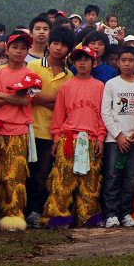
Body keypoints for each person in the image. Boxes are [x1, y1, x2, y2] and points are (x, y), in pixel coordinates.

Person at [41, 45, 107, 227]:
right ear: (74, 62)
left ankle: (88, 215)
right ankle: (58, 215)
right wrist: (56, 138)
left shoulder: (100, 87)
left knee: (90, 181)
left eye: (86, 59)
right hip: (69, 138)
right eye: (78, 59)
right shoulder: (66, 86)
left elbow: (103, 115)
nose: (82, 63)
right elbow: (59, 115)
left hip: (91, 138)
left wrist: (101, 138)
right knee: (63, 180)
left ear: (93, 63)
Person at [0, 32, 38, 231]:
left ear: (27, 51)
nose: (19, 51)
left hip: (18, 132)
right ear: (7, 50)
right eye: (15, 47)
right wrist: (9, 98)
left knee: (14, 176)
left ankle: (12, 216)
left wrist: (2, 94)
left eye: (23, 48)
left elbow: (25, 101)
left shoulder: (29, 75)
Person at [26, 24, 75, 225]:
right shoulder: (34, 66)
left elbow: (65, 106)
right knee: (26, 173)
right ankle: (22, 210)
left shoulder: (69, 75)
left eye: (63, 45)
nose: (58, 48)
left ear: (69, 49)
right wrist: (54, 100)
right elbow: (29, 95)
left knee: (42, 175)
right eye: (55, 43)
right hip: (30, 129)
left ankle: (35, 212)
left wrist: (44, 99)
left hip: (51, 133)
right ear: (49, 43)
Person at [101, 46, 134, 228]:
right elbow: (106, 112)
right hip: (115, 140)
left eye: (131, 60)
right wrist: (118, 135)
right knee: (113, 175)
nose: (127, 64)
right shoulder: (112, 84)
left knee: (130, 177)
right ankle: (111, 213)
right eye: (123, 60)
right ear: (118, 62)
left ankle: (125, 213)